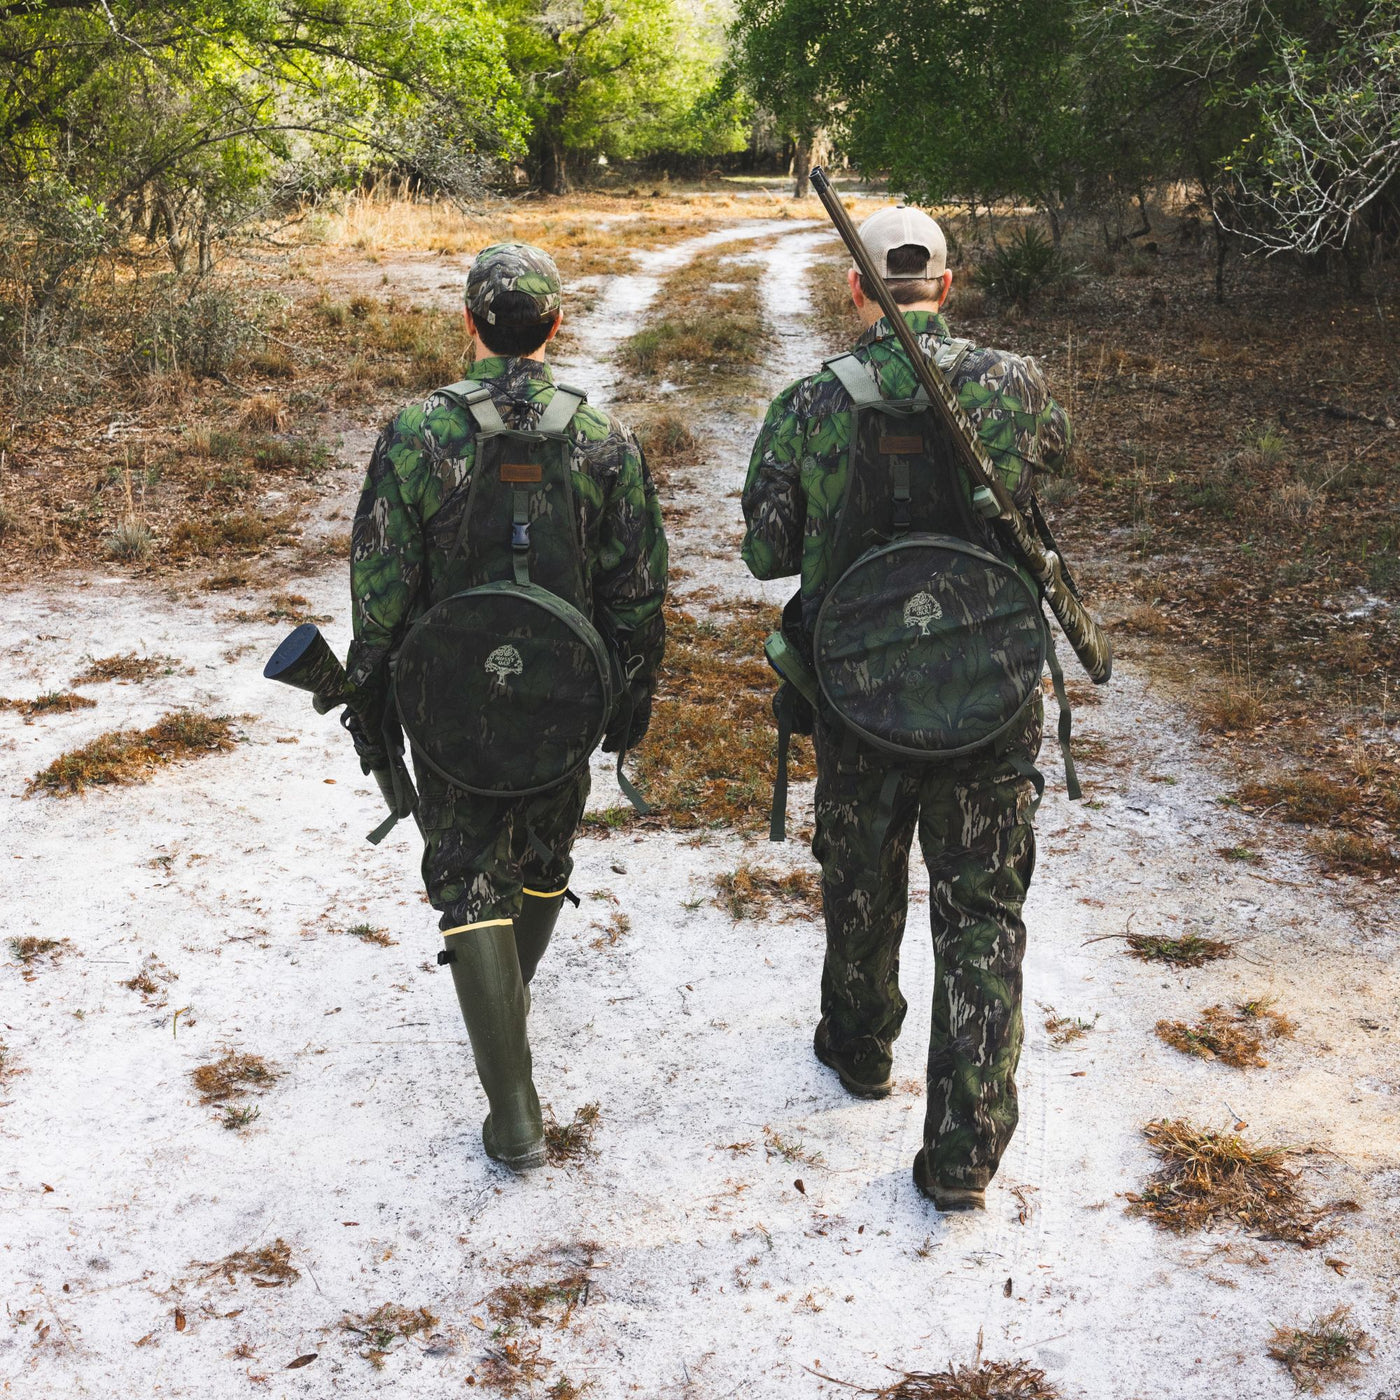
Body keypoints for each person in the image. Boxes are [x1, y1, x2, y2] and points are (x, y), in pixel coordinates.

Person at [741, 205, 1071, 1211]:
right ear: (949, 282)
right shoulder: (1018, 387)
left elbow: (764, 551)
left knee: (860, 875)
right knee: (981, 914)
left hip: (858, 693)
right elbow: (1047, 486)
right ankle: (964, 1150)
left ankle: (858, 1047)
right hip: (987, 693)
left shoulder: (807, 405)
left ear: (856, 289)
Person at [342, 243, 667, 1170]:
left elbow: (379, 581)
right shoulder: (604, 436)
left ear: (470, 324)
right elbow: (638, 591)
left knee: (465, 871)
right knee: (546, 853)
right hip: (566, 698)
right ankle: (505, 1014)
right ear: (555, 326)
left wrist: (377, 686)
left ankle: (515, 1110)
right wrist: (626, 702)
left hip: (450, 704)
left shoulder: (416, 434)